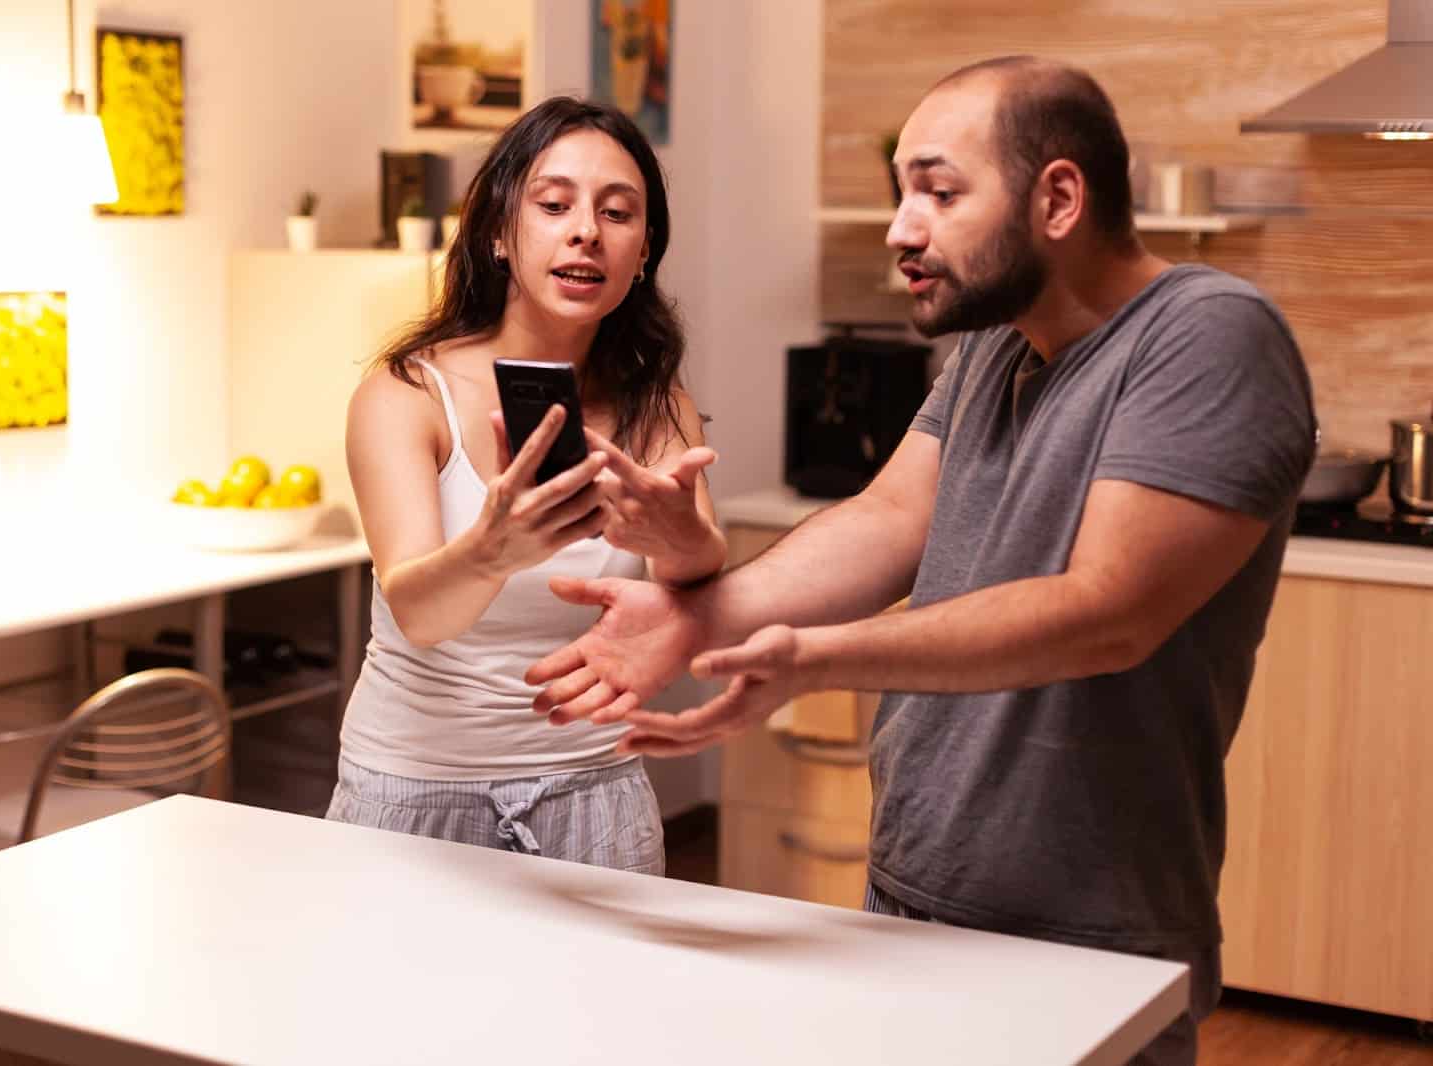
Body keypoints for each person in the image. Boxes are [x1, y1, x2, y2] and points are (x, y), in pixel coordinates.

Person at [526, 57, 1316, 1065]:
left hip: (1086, 928)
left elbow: (1105, 610)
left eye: (939, 192)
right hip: (913, 885)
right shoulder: (995, 345)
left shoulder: (1208, 335)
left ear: (1058, 198)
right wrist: (696, 619)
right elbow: (887, 518)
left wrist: (810, 659)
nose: (902, 226)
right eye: (903, 191)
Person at [326, 96, 726, 875]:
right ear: (500, 234)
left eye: (618, 213)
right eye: (554, 205)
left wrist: (681, 540)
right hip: (411, 795)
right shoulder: (408, 394)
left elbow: (693, 595)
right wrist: (493, 548)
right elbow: (419, 610)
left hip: (596, 791)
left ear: (643, 252)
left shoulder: (657, 404)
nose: (586, 231)